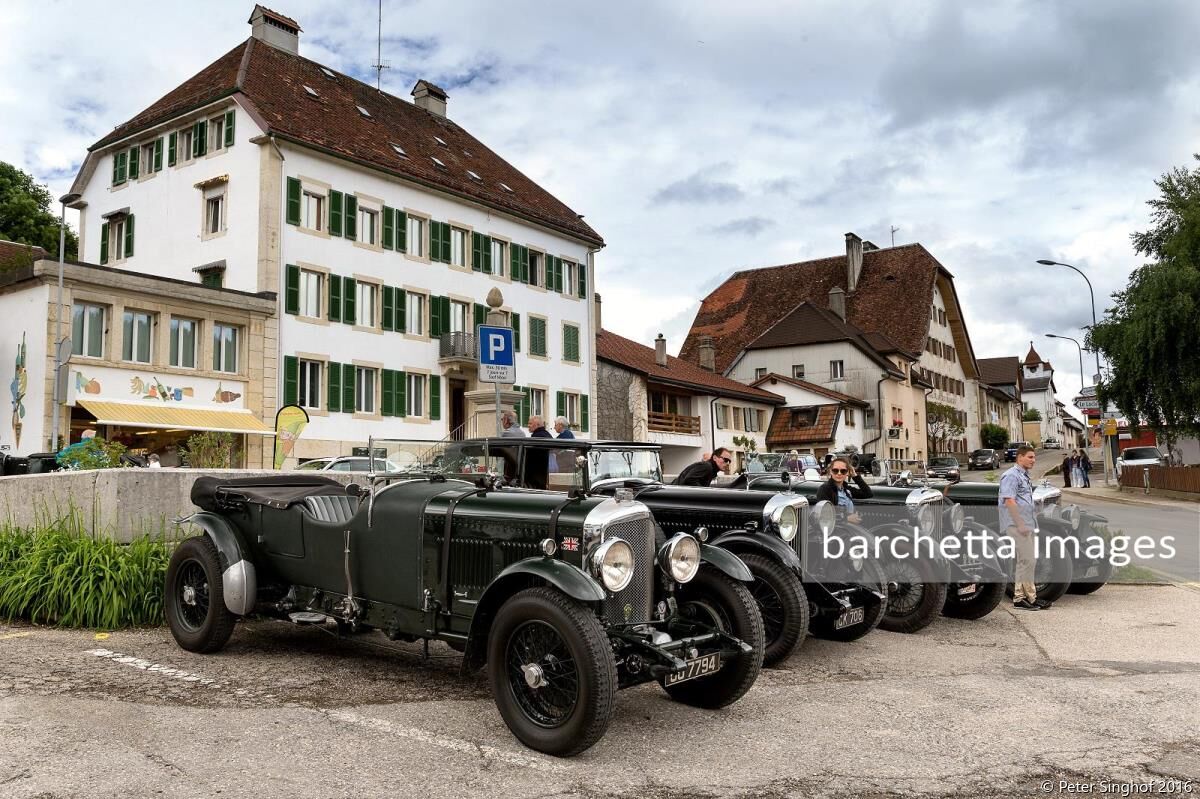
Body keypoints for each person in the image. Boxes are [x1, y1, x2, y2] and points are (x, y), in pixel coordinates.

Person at [999, 445, 1049, 611]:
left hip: (1027, 523)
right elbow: (1009, 501)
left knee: (1027, 561)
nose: (1033, 460)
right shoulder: (1011, 476)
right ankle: (1021, 598)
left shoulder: (1024, 476)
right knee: (1026, 560)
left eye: (1034, 457)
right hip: (1017, 524)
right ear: (1019, 457)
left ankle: (1028, 597)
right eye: (1030, 457)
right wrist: (1020, 524)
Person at [814, 456, 872, 524]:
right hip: (837, 530)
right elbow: (823, 517)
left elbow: (868, 493)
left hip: (851, 529)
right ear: (830, 471)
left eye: (843, 471)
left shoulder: (846, 489)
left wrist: (855, 475)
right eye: (835, 470)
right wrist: (846, 519)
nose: (839, 473)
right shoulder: (825, 489)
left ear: (847, 472)